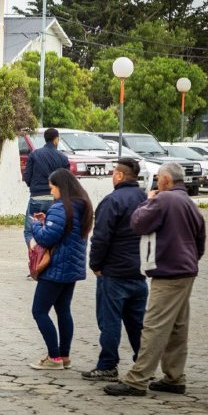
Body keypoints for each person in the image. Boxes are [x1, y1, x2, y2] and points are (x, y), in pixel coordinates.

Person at [105, 163, 205, 397]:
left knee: (154, 326)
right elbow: (201, 238)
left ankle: (136, 379)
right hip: (186, 271)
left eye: (158, 178)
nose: (156, 181)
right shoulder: (189, 203)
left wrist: (148, 200)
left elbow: (138, 223)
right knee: (177, 328)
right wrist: (192, 260)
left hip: (168, 273)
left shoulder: (163, 200)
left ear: (167, 180)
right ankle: (174, 377)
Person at [81, 158, 147, 381]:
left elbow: (101, 237)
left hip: (114, 272)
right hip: (139, 272)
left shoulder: (112, 201)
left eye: (113, 173)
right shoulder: (145, 199)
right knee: (137, 323)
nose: (112, 176)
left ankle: (108, 364)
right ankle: (144, 364)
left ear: (119, 176)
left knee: (109, 321)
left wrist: (96, 265)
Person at [29, 168, 93, 370]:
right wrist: (46, 221)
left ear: (61, 187)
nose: (51, 192)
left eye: (52, 188)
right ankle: (64, 355)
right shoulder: (83, 206)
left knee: (39, 311)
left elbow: (46, 238)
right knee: (63, 310)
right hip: (72, 268)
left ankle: (53, 357)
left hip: (56, 268)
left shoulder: (60, 208)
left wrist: (36, 226)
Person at [23, 128, 69, 249]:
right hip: (55, 200)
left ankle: (36, 257)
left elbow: (27, 177)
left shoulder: (34, 154)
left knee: (29, 231)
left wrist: (34, 187)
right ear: (56, 139)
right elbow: (67, 180)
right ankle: (50, 256)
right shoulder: (63, 158)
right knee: (53, 230)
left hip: (36, 197)